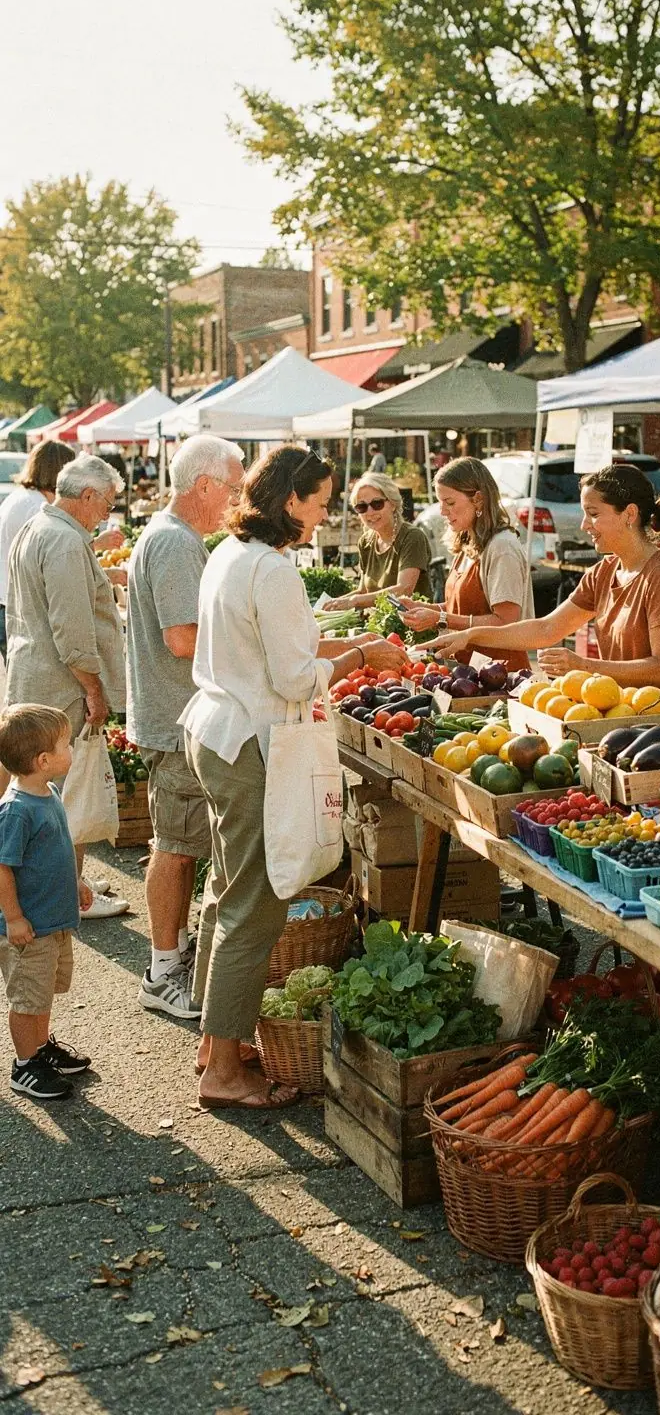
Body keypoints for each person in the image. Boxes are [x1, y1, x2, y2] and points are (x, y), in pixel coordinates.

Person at [180, 445, 410, 1110]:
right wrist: (363, 652)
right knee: (259, 902)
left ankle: (215, 1040)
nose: (327, 512)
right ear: (289, 501)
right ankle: (223, 1070)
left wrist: (341, 651)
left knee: (230, 887)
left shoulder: (231, 553)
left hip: (215, 728)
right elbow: (291, 676)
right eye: (321, 500)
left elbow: (275, 653)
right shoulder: (274, 570)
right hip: (250, 737)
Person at [126, 434, 245, 1022]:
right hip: (176, 723)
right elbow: (183, 639)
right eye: (233, 487)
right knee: (175, 848)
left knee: (180, 845)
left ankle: (170, 960)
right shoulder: (175, 543)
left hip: (172, 717)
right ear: (205, 485)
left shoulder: (174, 536)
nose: (237, 498)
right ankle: (163, 971)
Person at [429, 463, 660, 698]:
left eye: (593, 513)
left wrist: (584, 665)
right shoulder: (603, 572)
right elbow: (546, 629)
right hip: (621, 711)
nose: (584, 525)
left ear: (629, 514)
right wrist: (470, 635)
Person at [5, 453, 130, 919]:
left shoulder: (40, 526)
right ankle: (64, 892)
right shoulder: (62, 540)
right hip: (58, 686)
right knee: (63, 795)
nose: (108, 513)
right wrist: (95, 692)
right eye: (108, 502)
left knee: (44, 792)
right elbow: (72, 631)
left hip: (33, 674)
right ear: (88, 495)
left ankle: (65, 883)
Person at [0, 704, 94, 1101]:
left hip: (53, 923)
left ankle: (39, 1050)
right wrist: (15, 918)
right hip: (30, 929)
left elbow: (56, 847)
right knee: (27, 998)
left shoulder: (49, 792)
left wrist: (75, 881)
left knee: (42, 994)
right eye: (65, 744)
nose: (70, 747)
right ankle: (25, 1065)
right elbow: (2, 868)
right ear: (43, 760)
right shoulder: (16, 811)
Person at [401, 456, 534, 669]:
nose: (443, 511)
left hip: (500, 675)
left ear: (478, 499)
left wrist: (440, 618)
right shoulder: (468, 543)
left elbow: (505, 621)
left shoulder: (502, 548)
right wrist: (426, 609)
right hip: (468, 673)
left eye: (450, 503)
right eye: (440, 502)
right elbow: (466, 607)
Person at [0, 439, 125, 661]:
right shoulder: (34, 506)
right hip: (19, 606)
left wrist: (96, 544)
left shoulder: (22, 498)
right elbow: (56, 561)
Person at [321, 471, 432, 613]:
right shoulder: (366, 542)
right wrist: (331, 606)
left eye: (377, 504)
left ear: (392, 504)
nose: (370, 512)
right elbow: (363, 591)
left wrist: (354, 601)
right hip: (378, 624)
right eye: (362, 507)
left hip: (413, 625)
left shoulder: (412, 537)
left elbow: (403, 590)